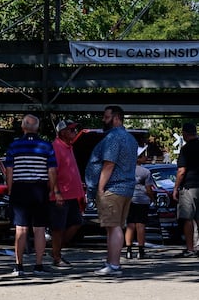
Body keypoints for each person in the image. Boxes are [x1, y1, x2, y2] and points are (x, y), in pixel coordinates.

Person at [4, 114, 58, 276]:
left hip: (20, 188)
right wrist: (51, 188)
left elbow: (9, 170)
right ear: (38, 128)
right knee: (40, 229)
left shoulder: (14, 146)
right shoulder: (46, 146)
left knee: (21, 229)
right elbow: (52, 170)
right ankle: (39, 265)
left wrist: (10, 188)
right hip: (39, 189)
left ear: (23, 127)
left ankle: (19, 265)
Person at [91, 104, 139, 277]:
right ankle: (112, 262)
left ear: (116, 117)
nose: (103, 120)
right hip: (126, 187)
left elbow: (109, 163)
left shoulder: (113, 138)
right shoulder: (131, 139)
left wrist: (100, 187)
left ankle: (114, 264)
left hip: (113, 187)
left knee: (113, 227)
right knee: (116, 226)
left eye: (106, 117)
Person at [48, 120, 85, 269]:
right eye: (71, 130)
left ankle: (55, 250)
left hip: (72, 194)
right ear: (63, 132)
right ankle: (56, 256)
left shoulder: (69, 146)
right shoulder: (55, 147)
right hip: (61, 194)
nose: (74, 132)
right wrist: (56, 192)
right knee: (58, 227)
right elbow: (52, 171)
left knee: (77, 222)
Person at [126, 152, 157, 260]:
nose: (146, 157)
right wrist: (153, 199)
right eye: (143, 156)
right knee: (140, 225)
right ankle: (140, 250)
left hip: (129, 199)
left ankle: (128, 250)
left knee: (130, 225)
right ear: (138, 158)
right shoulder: (145, 172)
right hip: (142, 200)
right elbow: (149, 190)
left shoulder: (126, 171)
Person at [174, 122, 199, 256]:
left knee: (188, 218)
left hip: (189, 186)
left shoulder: (186, 149)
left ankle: (190, 249)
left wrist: (176, 188)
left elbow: (181, 171)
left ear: (184, 133)